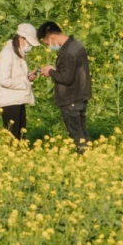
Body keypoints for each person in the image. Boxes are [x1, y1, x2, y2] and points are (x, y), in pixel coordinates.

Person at [37, 21, 91, 152]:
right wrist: (54, 69)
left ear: (51, 37)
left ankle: (83, 158)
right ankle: (90, 156)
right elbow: (71, 71)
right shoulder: (75, 45)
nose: (49, 46)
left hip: (71, 97)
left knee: (77, 135)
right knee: (82, 132)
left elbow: (66, 79)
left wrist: (50, 72)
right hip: (80, 95)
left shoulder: (67, 52)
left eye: (47, 43)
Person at [0, 22, 39, 141]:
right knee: (13, 138)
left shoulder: (17, 53)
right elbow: (4, 80)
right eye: (28, 42)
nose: (29, 46)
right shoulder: (7, 53)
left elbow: (16, 75)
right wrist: (25, 82)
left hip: (17, 99)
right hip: (9, 102)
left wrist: (27, 77)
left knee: (21, 136)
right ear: (21, 38)